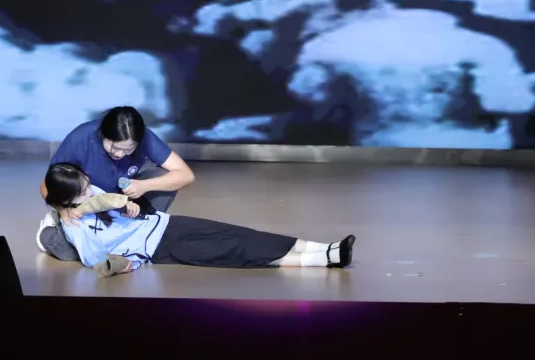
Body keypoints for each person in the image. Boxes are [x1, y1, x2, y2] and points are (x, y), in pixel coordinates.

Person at [42, 162, 356, 275]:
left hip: (165, 224)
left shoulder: (93, 194)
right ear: (67, 201)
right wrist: (125, 260)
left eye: (87, 184)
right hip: (158, 249)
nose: (90, 191)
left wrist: (129, 206)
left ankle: (323, 247)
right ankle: (324, 260)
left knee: (240, 234)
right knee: (234, 251)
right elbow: (95, 260)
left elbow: (115, 202)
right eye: (82, 192)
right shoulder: (76, 228)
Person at [36, 106, 195, 261]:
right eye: (114, 147)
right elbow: (46, 186)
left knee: (164, 176)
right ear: (103, 134)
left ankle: (138, 230)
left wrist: (144, 186)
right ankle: (50, 234)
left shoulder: (144, 136)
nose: (119, 154)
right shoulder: (79, 139)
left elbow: (186, 175)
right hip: (90, 206)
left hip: (126, 201)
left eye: (128, 149)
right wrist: (63, 209)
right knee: (73, 253)